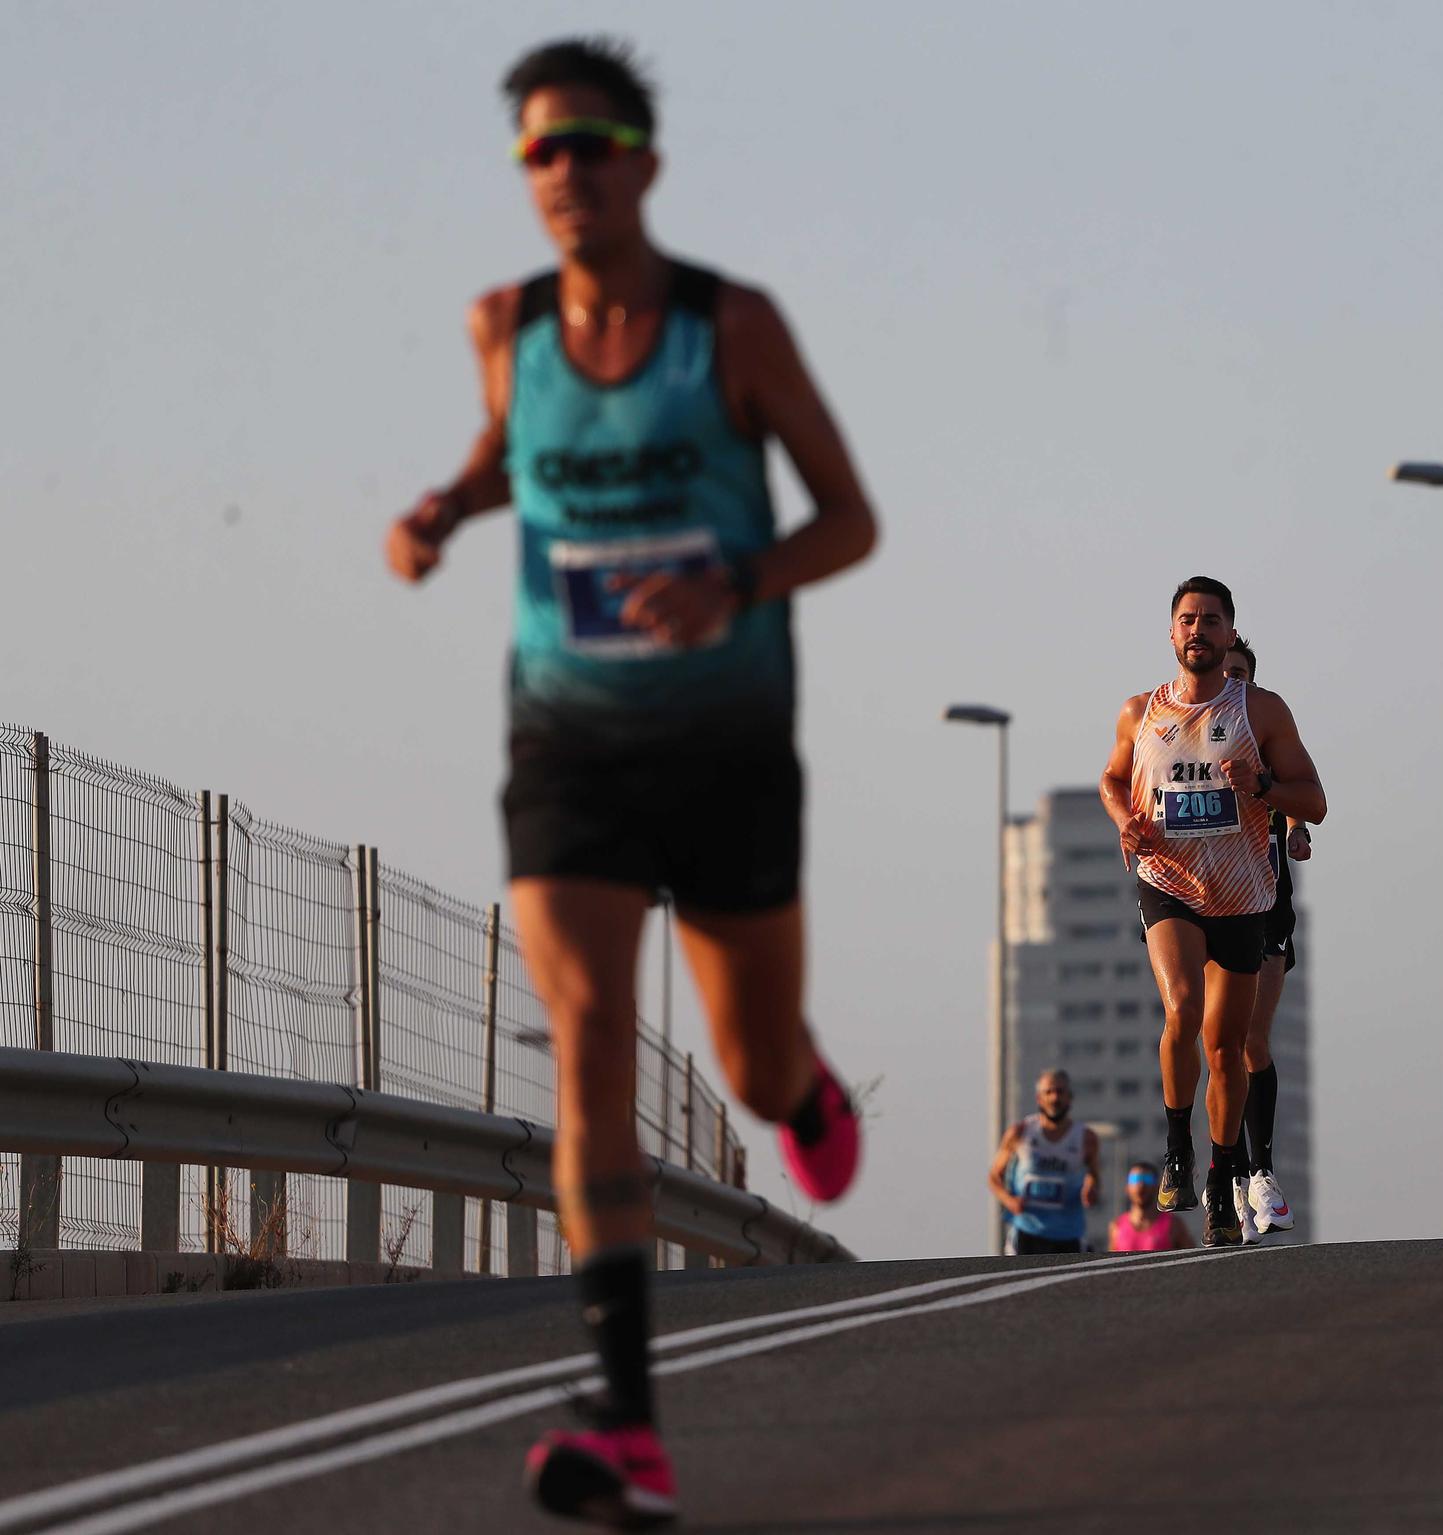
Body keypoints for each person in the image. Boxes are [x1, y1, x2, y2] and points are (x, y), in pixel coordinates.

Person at [382, 38, 875, 1527]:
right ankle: (631, 1416)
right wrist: (446, 507)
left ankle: (801, 1080)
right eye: (540, 149)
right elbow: (505, 450)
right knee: (589, 1031)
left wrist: (737, 581)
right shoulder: (503, 325)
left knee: (748, 1057)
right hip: (568, 744)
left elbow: (849, 518)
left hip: (724, 746)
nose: (566, 170)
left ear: (646, 163)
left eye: (591, 142)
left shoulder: (734, 331)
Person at [1097, 577, 1326, 1246]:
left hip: (1242, 892)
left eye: (1212, 620)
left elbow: (1314, 799)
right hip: (1167, 880)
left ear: (1230, 634)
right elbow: (1112, 778)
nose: (1198, 630)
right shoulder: (1141, 713)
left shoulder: (1263, 711)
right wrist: (1124, 820)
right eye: (1187, 620)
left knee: (1226, 1047)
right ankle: (1177, 1144)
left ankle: (1223, 1174)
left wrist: (1261, 785)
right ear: (1171, 634)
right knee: (1182, 1010)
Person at [1219, 639, 1304, 1244]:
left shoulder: (1267, 733)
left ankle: (1261, 1172)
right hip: (1203, 898)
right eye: (1224, 674)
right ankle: (1224, 1172)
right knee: (1214, 1037)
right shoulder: (1182, 736)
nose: (1232, 683)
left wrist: (1295, 831)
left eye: (1242, 675)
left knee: (1252, 1037)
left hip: (1266, 897)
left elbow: (1302, 797)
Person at [988, 1069, 1100, 1255]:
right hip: (1027, 1231)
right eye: (1049, 1092)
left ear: (1069, 1097)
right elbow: (994, 1176)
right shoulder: (1020, 1133)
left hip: (1068, 1233)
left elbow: (1094, 1176)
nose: (1055, 1098)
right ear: (1039, 1098)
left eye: (1060, 1092)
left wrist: (1091, 1189)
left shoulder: (1086, 1138)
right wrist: (1009, 1201)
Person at [1108, 1162, 1195, 1251]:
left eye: (1147, 1179)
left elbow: (1192, 1259)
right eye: (1134, 1179)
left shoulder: (1174, 1225)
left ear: (1158, 1186)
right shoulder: (1117, 1227)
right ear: (1127, 1187)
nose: (1141, 1185)